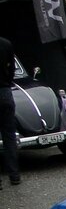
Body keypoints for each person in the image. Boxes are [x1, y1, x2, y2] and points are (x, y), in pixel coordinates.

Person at [0, 35, 20, 188]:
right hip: (5, 91)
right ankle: (14, 175)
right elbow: (12, 69)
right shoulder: (6, 43)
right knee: (9, 136)